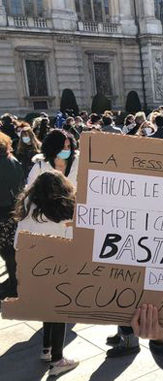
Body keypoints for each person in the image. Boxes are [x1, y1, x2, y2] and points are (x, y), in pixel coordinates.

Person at [13, 171, 78, 376]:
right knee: (58, 312)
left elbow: (17, 243)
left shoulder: (27, 209)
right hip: (58, 269)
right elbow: (72, 244)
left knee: (46, 310)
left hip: (33, 269)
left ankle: (46, 349)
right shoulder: (64, 214)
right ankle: (58, 360)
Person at [0, 132, 24, 298]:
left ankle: (15, 285)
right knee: (10, 251)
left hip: (4, 212)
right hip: (12, 211)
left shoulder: (5, 162)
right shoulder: (11, 160)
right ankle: (14, 281)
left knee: (8, 252)